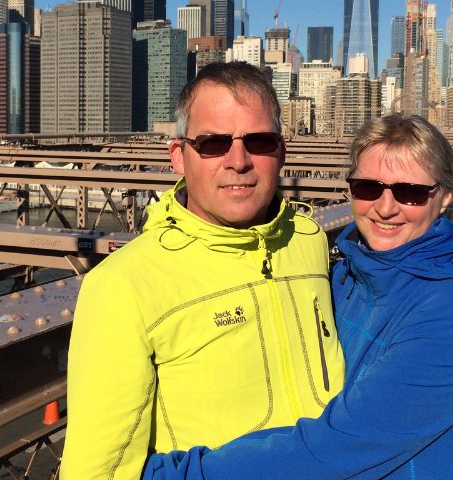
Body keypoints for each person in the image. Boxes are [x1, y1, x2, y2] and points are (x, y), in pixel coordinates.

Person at [143, 115, 453, 479]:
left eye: (410, 193)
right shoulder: (349, 276)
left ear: (443, 198)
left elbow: (334, 451)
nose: (385, 208)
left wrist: (173, 472)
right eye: (368, 188)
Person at [60, 62, 345, 479]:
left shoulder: (308, 241)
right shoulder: (123, 285)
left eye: (259, 141)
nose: (239, 161)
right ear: (179, 156)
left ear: (281, 152)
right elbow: (99, 467)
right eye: (213, 143)